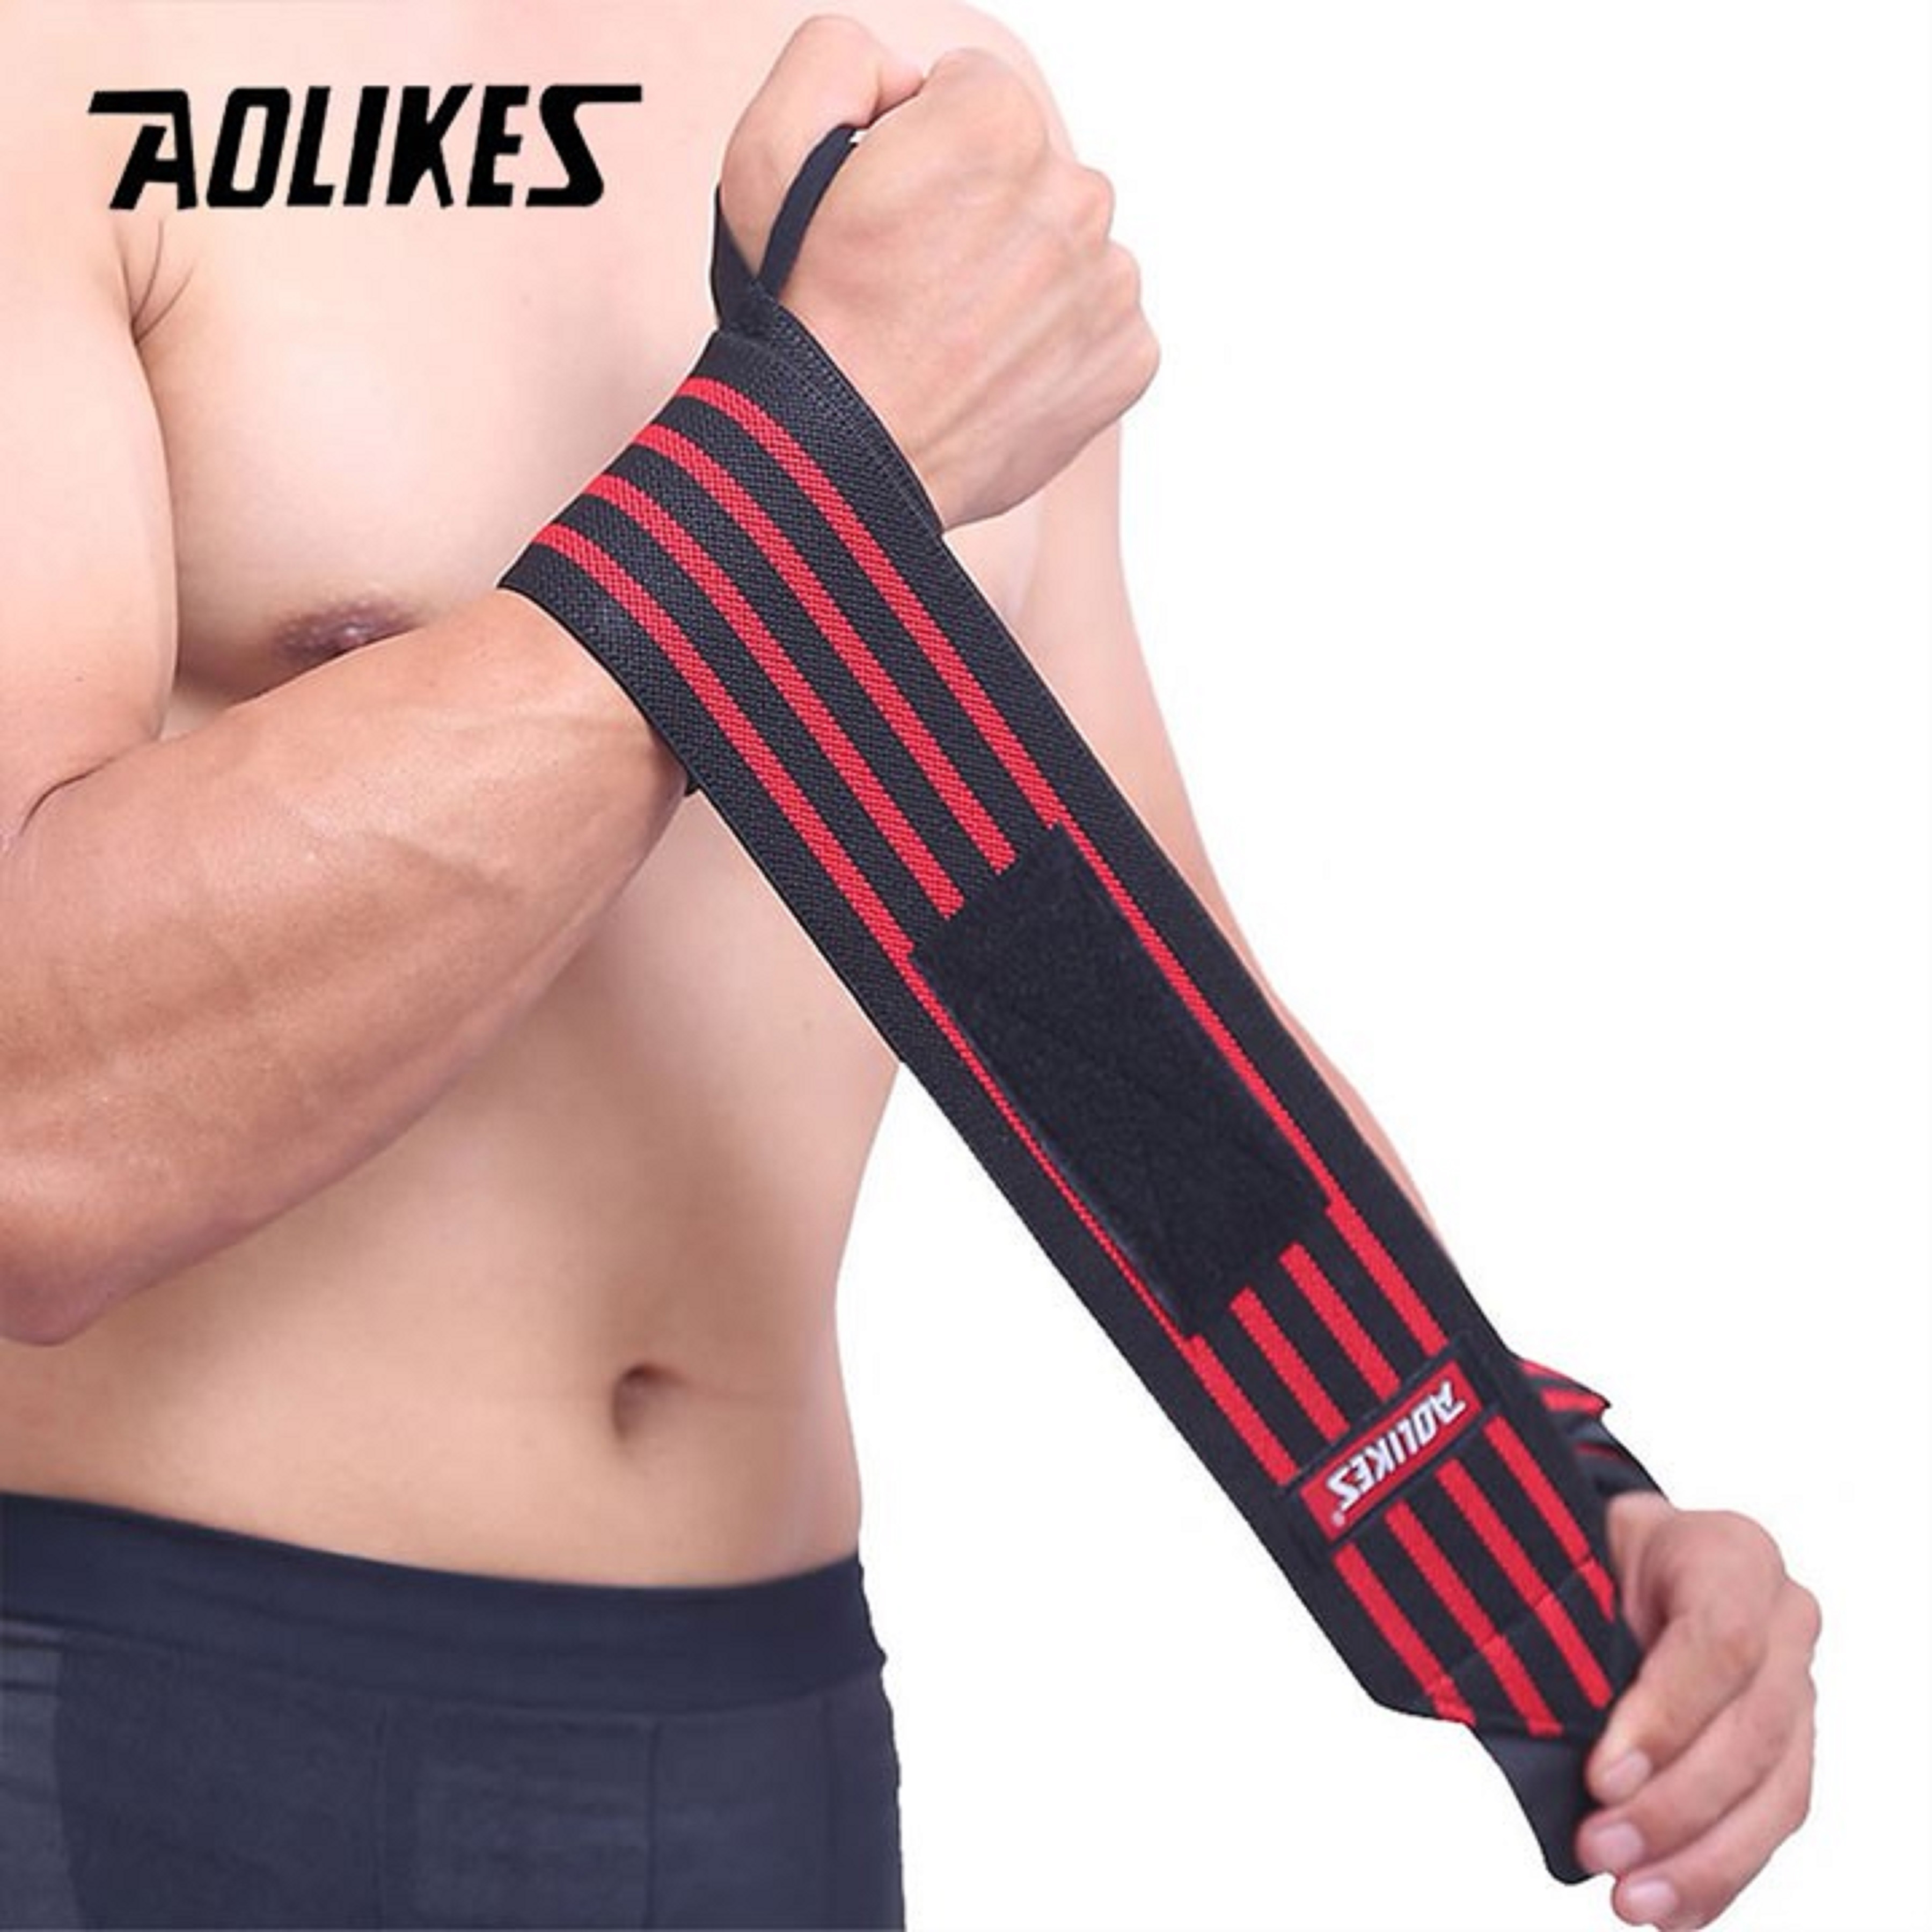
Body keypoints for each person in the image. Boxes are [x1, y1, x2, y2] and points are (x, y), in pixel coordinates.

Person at [0, 3, 1817, 1927]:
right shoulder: (85, 70)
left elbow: (1134, 999)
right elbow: (35, 1140)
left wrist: (1545, 1512)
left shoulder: (921, 101)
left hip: (760, 1738)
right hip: (152, 1707)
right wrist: (805, 465)